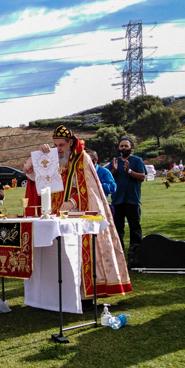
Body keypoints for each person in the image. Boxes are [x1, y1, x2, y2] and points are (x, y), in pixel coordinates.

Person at [22, 125, 131, 298]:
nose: (58, 149)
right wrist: (40, 153)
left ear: (70, 142)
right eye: (55, 145)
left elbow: (89, 190)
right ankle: (59, 292)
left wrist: (72, 201)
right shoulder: (53, 157)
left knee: (78, 254)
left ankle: (83, 294)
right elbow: (28, 170)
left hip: (77, 212)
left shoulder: (82, 158)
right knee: (59, 254)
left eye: (61, 145)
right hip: (54, 212)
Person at [109, 137, 146, 253]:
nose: (123, 148)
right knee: (117, 228)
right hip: (117, 201)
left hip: (132, 200)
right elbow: (108, 179)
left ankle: (135, 252)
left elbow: (142, 177)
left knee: (134, 227)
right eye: (121, 146)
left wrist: (129, 171)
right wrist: (113, 170)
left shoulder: (137, 160)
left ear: (131, 148)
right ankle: (118, 252)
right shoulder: (114, 162)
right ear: (118, 147)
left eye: (126, 146)